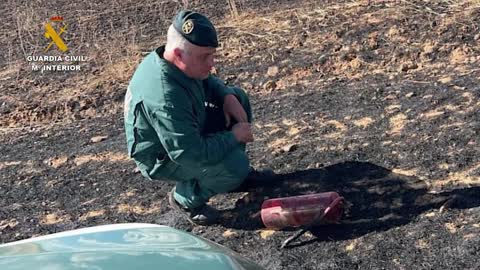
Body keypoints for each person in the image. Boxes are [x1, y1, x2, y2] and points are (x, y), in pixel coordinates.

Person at [124, 10, 273, 226]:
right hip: (164, 158)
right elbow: (189, 153)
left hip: (185, 131)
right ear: (178, 55)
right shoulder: (165, 96)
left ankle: (232, 179)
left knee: (237, 97)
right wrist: (234, 137)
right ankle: (186, 199)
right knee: (235, 164)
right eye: (205, 57)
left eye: (212, 54)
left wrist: (226, 95)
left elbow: (205, 79)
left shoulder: (175, 61)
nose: (212, 62)